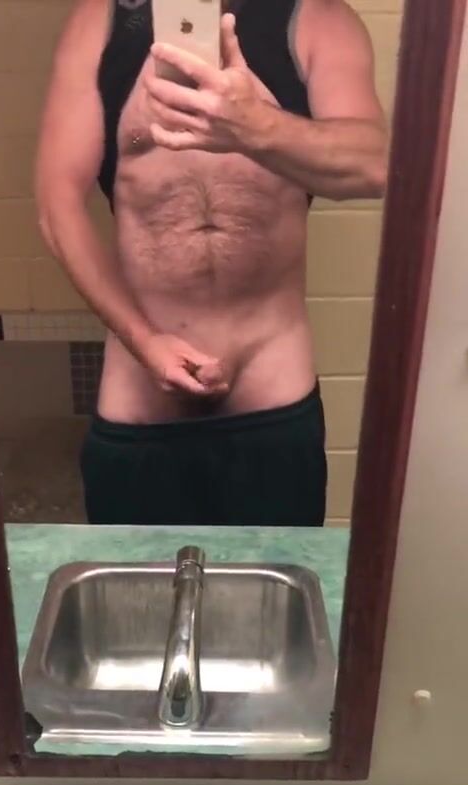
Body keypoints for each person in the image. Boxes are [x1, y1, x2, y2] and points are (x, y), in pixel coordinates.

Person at [36, 0, 387, 526]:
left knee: (274, 582)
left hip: (271, 390)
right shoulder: (101, 23)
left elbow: (376, 166)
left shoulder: (317, 20)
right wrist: (143, 341)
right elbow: (56, 207)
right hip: (139, 399)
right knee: (132, 583)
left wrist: (257, 127)